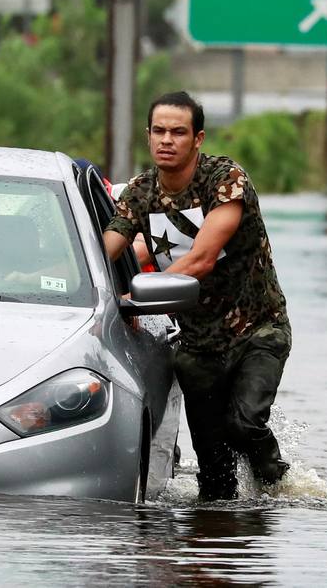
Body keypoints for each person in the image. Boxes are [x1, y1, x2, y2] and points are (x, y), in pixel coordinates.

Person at [103, 90, 291, 501]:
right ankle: (215, 533)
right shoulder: (140, 192)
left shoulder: (225, 180)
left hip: (257, 330)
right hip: (197, 345)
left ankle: (279, 488)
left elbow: (202, 259)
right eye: (159, 131)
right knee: (214, 478)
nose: (166, 140)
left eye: (178, 132)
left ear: (198, 139)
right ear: (148, 136)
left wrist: (135, 298)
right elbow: (108, 247)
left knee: (244, 424)